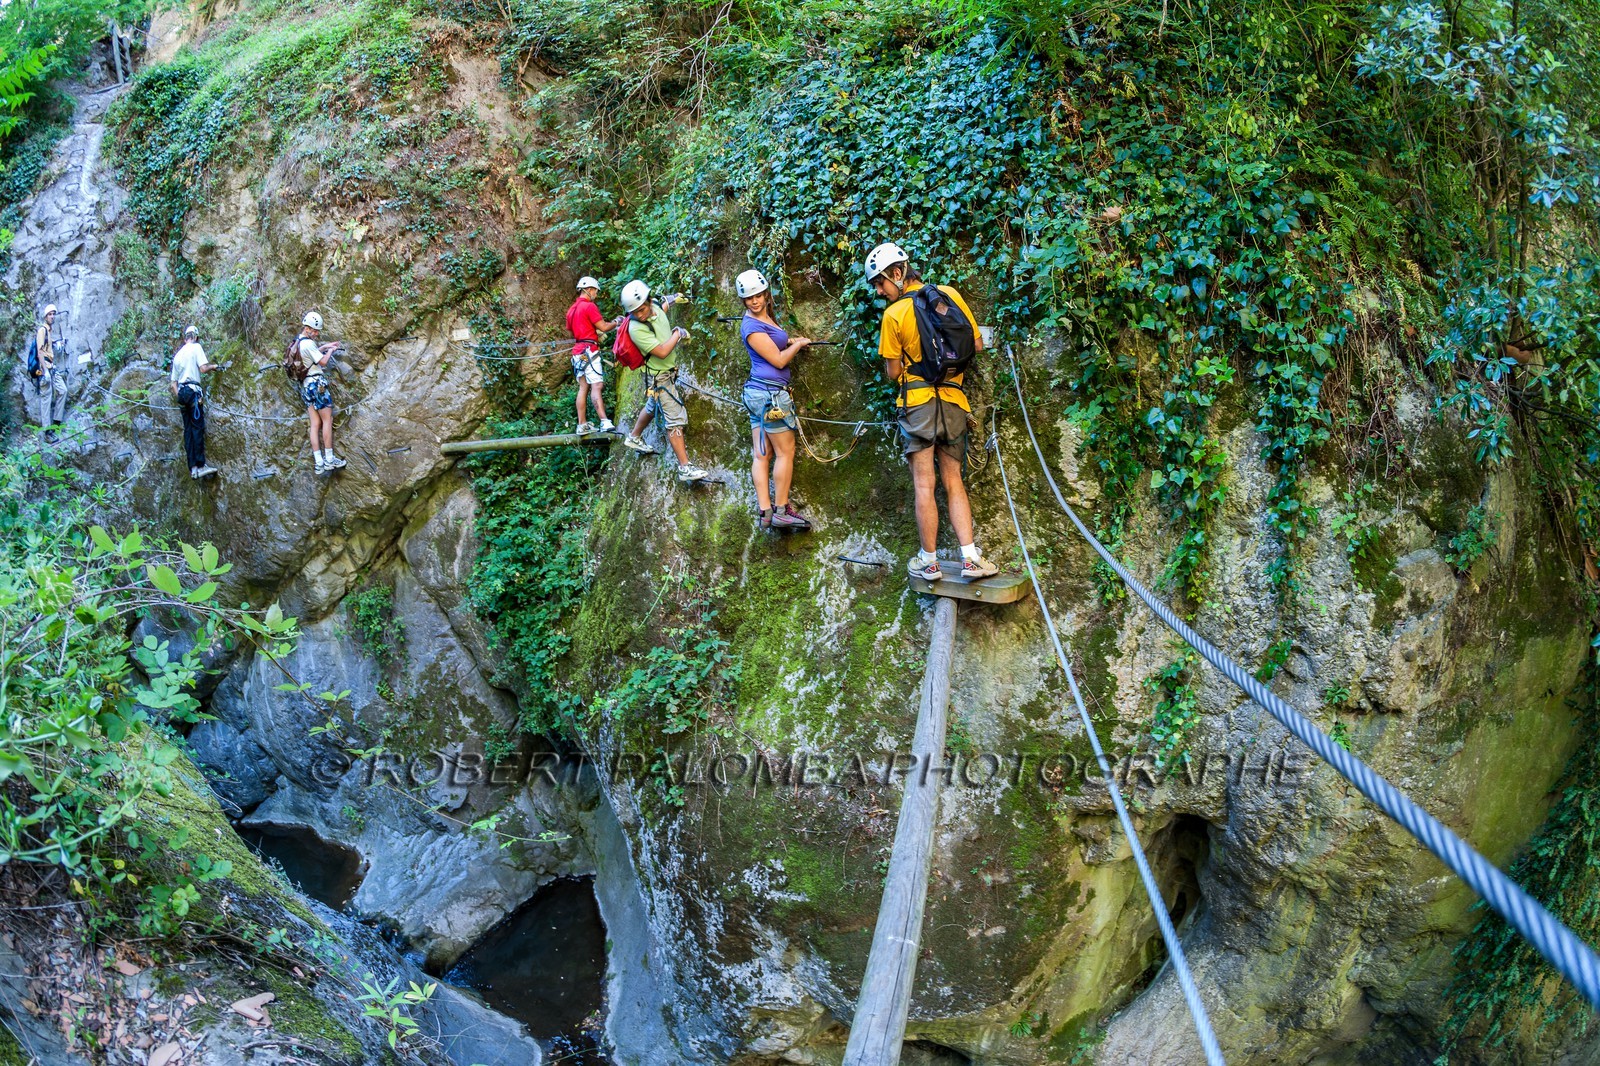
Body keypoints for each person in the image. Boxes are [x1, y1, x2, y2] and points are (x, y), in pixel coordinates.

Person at [865, 242, 999, 579]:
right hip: (954, 400)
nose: (880, 291)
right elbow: (977, 344)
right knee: (954, 480)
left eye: (880, 283)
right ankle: (970, 559)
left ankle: (929, 561)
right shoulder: (949, 293)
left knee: (924, 484)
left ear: (897, 273)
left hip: (918, 405)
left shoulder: (894, 315)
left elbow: (894, 373)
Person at [735, 269, 811, 530]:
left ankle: (765, 512)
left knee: (761, 454)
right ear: (743, 300)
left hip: (759, 395)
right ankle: (780, 510)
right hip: (770, 396)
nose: (754, 301)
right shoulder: (751, 326)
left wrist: (787, 340)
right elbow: (778, 360)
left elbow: (773, 342)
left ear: (766, 294)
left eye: (757, 295)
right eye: (748, 298)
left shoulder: (761, 319)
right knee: (785, 451)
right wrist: (797, 345)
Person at [619, 280, 709, 483]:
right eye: (635, 312)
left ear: (649, 301)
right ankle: (685, 468)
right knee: (674, 417)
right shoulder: (636, 328)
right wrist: (678, 333)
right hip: (660, 377)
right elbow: (661, 351)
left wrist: (675, 298)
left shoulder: (656, 307)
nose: (640, 315)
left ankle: (634, 437)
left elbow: (664, 305)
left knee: (652, 407)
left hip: (663, 374)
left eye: (642, 310)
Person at [295, 311, 346, 473]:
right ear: (307, 328)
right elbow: (322, 362)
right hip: (317, 385)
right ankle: (330, 460)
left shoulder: (298, 341)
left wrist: (325, 347)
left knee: (315, 424)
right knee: (327, 421)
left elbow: (312, 355)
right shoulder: (309, 344)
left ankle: (319, 463)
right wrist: (331, 350)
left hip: (305, 387)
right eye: (315, 330)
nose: (316, 333)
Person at [566, 276, 615, 435]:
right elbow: (604, 326)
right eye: (595, 291)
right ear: (589, 290)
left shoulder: (572, 310)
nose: (596, 294)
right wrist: (617, 322)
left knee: (583, 387)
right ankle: (604, 421)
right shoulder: (589, 306)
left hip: (578, 353)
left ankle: (582, 424)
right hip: (589, 351)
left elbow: (573, 329)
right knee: (597, 386)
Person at [169, 325, 219, 479]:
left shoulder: (178, 355)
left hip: (182, 394)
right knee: (197, 428)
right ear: (195, 337)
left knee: (188, 430)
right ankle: (201, 465)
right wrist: (214, 366)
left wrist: (181, 396)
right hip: (192, 391)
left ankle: (193, 468)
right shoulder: (196, 348)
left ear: (185, 338)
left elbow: (173, 384)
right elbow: (203, 369)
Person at [31, 305, 68, 441]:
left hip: (52, 367)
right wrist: (45, 372)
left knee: (62, 390)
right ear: (45, 316)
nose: (52, 316)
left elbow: (47, 349)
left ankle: (56, 423)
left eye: (53, 314)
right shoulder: (42, 330)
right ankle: (47, 433)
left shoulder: (49, 331)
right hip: (45, 369)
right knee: (46, 398)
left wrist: (56, 346)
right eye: (50, 314)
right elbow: (40, 352)